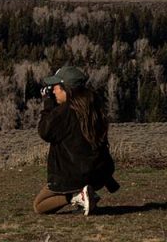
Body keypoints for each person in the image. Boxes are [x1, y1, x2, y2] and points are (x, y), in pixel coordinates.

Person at [33, 65, 118, 216]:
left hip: (72, 175)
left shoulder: (65, 112)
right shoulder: (93, 106)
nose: (53, 91)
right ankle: (86, 194)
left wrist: (48, 104)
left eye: (56, 87)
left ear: (67, 88)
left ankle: (77, 196)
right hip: (97, 172)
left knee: (39, 205)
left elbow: (44, 131)